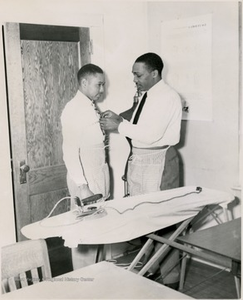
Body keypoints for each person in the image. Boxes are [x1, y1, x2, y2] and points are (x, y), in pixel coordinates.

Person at [100, 52, 182, 289]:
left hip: (160, 161)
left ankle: (171, 280)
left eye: (138, 74)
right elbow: (140, 122)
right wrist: (119, 118)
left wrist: (119, 125)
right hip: (142, 161)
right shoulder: (148, 95)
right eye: (133, 75)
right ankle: (152, 269)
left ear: (155, 73)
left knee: (163, 221)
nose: (134, 79)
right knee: (145, 219)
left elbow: (152, 134)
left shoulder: (167, 97)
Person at [61, 63, 110, 269]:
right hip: (85, 178)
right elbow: (70, 153)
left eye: (103, 85)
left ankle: (97, 275)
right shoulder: (73, 109)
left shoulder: (88, 105)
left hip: (96, 173)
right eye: (99, 85)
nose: (102, 90)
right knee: (84, 232)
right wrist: (82, 186)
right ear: (84, 82)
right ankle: (85, 280)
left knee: (97, 228)